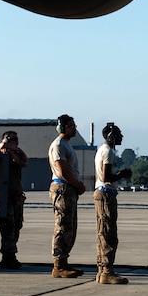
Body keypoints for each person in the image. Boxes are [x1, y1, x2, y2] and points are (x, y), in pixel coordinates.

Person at [94, 122, 133, 284]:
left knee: (103, 231)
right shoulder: (108, 152)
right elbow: (106, 177)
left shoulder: (101, 150)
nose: (121, 137)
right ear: (112, 136)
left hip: (102, 193)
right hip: (106, 193)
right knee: (108, 233)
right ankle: (107, 272)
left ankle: (102, 270)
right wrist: (122, 174)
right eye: (119, 134)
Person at [49, 114, 87, 278]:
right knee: (63, 226)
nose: (74, 128)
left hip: (69, 188)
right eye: (71, 126)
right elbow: (63, 171)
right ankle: (58, 265)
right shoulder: (58, 145)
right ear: (62, 128)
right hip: (63, 188)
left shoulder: (67, 145)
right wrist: (78, 185)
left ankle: (64, 262)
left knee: (70, 227)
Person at [0, 130, 28, 269]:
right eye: (12, 139)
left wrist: (15, 150)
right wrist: (4, 145)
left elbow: (23, 162)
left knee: (17, 226)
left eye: (16, 138)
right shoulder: (0, 154)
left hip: (17, 196)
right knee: (7, 228)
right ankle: (8, 256)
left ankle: (10, 255)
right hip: (5, 197)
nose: (14, 141)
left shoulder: (16, 153)